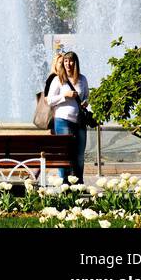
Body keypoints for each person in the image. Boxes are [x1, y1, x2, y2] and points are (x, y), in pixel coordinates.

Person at [46, 50, 89, 183]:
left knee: (80, 154)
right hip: (63, 120)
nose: (68, 64)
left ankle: (79, 182)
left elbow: (86, 95)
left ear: (76, 63)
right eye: (66, 61)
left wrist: (85, 102)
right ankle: (64, 183)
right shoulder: (58, 80)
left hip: (80, 121)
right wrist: (65, 96)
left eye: (71, 61)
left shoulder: (82, 79)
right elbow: (49, 100)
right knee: (65, 154)